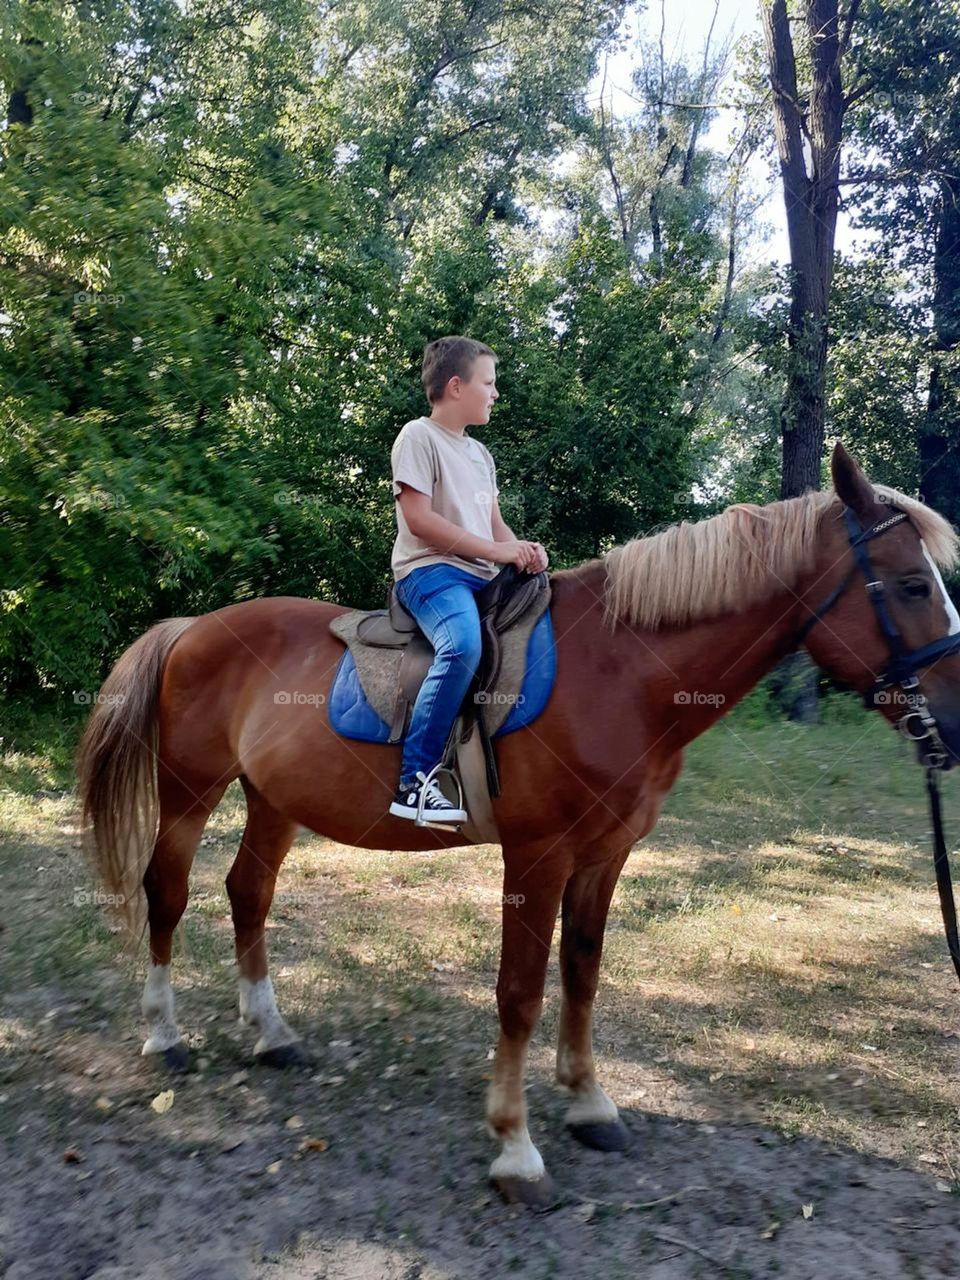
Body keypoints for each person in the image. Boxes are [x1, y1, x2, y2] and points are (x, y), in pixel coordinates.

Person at [388, 336, 549, 823]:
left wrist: (521, 550)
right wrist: (495, 550)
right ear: (456, 386)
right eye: (489, 382)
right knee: (461, 645)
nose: (495, 393)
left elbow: (494, 526)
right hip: (430, 572)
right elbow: (420, 520)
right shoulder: (417, 436)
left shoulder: (480, 454)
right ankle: (414, 783)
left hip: (483, 575)